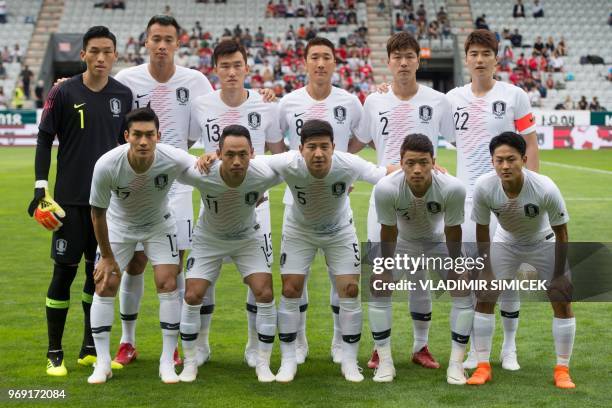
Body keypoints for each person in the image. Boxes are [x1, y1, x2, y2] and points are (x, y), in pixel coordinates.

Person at [258, 119, 397, 382]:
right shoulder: (287, 161)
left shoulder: (349, 163)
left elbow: (384, 173)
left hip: (339, 232)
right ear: (301, 148)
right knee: (290, 289)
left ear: (334, 147)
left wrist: (425, 165)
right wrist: (212, 159)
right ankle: (289, 360)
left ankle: (349, 360)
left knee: (350, 290)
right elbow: (248, 164)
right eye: (312, 147)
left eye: (324, 146)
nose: (318, 153)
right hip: (300, 232)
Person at [28, 26, 132, 377]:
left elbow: (127, 150)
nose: (101, 57)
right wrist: (41, 189)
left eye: (107, 51)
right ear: (83, 54)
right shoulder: (63, 91)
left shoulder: (124, 95)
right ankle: (54, 351)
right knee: (64, 273)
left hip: (108, 205)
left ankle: (89, 346)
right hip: (71, 202)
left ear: (115, 55)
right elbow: (44, 140)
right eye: (94, 51)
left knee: (98, 273)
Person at [348, 32, 454, 372]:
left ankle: (421, 347)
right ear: (389, 62)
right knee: (380, 275)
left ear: (418, 60)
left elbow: (461, 140)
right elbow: (358, 143)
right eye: (397, 57)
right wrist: (345, 175)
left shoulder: (438, 100)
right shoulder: (373, 101)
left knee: (420, 277)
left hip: (426, 198)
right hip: (386, 194)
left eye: (409, 56)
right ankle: (381, 349)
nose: (404, 62)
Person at [111, 14, 213, 367]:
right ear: (146, 41)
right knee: (135, 264)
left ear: (178, 43)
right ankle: (127, 342)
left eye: (168, 39)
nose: (162, 45)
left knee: (174, 267)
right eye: (156, 38)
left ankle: (177, 344)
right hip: (137, 183)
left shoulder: (196, 81)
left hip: (177, 185)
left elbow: (217, 118)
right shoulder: (126, 79)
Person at [189, 40, 285, 368]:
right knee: (206, 277)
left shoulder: (266, 104)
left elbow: (277, 150)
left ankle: (255, 345)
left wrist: (263, 181)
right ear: (215, 69)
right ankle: (200, 345)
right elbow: (187, 147)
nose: (231, 72)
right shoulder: (200, 105)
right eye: (225, 66)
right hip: (214, 204)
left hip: (256, 206)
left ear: (247, 68)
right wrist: (203, 156)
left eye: (237, 65)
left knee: (258, 280)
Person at [446, 29, 539, 371]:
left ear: (496, 59)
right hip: (468, 201)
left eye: (487, 53)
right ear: (467, 58)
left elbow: (529, 144)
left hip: (507, 200)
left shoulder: (515, 95)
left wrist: (527, 191)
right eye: (474, 53)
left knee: (509, 274)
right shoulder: (451, 98)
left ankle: (509, 347)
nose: (481, 59)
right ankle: (476, 349)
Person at [87, 107, 196, 384]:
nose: (144, 141)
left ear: (158, 136)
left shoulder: (172, 157)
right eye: (137, 134)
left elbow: (205, 171)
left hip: (159, 225)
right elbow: (97, 213)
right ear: (127, 136)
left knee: (167, 283)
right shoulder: (107, 164)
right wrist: (108, 258)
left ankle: (167, 360)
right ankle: (102, 363)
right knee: (105, 283)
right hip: (119, 226)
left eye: (149, 134)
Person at [278, 37, 364, 365]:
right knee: (294, 280)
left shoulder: (350, 102)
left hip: (336, 205)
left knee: (341, 278)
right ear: (304, 62)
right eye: (314, 57)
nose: (320, 63)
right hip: (298, 204)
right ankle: (297, 340)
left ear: (334, 62)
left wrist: (340, 172)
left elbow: (360, 139)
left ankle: (341, 341)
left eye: (326, 57)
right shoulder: (288, 102)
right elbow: (276, 145)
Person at [467, 132, 575, 389]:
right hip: (506, 241)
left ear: (524, 159)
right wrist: (486, 268)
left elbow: (562, 231)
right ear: (492, 161)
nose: (505, 166)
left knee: (561, 299)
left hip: (543, 241)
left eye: (511, 159)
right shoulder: (484, 187)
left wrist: (559, 274)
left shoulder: (545, 187)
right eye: (499, 160)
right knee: (485, 294)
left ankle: (562, 369)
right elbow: (482, 229)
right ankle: (483, 366)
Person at [176, 125, 284, 383]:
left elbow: (294, 162)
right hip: (208, 239)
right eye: (230, 154)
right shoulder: (201, 173)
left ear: (253, 154)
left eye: (243, 155)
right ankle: (191, 361)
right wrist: (198, 158)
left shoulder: (263, 174)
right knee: (192, 295)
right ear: (219, 153)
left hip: (247, 239)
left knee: (265, 292)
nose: (237, 161)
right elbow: (171, 163)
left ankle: (262, 361)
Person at [370, 134, 471, 384]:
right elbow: (388, 229)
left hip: (436, 240)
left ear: (434, 162)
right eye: (411, 162)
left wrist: (457, 265)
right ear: (401, 162)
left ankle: (456, 364)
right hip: (402, 240)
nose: (417, 169)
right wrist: (384, 265)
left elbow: (453, 230)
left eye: (424, 163)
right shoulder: (386, 187)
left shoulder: (452, 187)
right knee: (378, 286)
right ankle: (384, 361)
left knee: (464, 290)